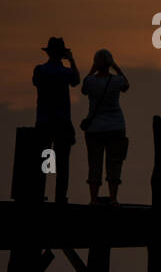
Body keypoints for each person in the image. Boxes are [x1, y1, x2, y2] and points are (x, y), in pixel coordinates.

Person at [32, 36, 80, 204]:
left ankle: (38, 194)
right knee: (62, 164)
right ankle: (60, 197)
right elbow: (76, 80)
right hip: (62, 123)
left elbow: (36, 82)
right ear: (62, 54)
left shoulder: (39, 70)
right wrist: (72, 60)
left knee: (43, 162)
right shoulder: (65, 72)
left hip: (44, 122)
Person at [81, 49, 130, 205]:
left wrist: (92, 69)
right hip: (116, 126)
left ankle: (93, 199)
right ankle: (114, 198)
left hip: (94, 128)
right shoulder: (116, 81)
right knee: (114, 163)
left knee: (94, 163)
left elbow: (83, 89)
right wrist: (116, 67)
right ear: (110, 64)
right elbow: (126, 85)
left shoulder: (90, 81)